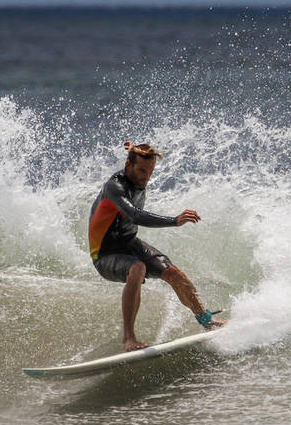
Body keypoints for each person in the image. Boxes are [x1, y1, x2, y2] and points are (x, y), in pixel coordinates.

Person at [88, 141, 226, 351]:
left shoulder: (138, 176)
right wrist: (174, 221)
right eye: (142, 170)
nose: (146, 176)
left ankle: (207, 321)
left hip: (129, 243)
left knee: (174, 273)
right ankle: (129, 338)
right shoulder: (114, 187)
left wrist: (135, 149)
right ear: (128, 166)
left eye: (150, 171)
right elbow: (134, 214)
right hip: (105, 254)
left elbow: (137, 162)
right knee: (138, 268)